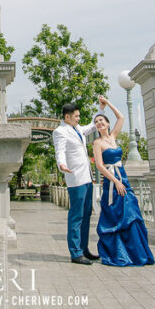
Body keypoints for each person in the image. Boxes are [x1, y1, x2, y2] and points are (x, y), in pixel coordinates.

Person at [92, 97, 155, 266]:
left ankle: (137, 254)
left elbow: (121, 117)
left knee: (131, 213)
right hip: (112, 182)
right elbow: (99, 165)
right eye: (96, 122)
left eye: (101, 121)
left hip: (123, 178)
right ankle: (118, 253)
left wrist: (106, 104)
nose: (99, 123)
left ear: (107, 123)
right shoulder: (97, 143)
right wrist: (115, 181)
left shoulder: (113, 136)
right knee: (115, 215)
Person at [52, 102, 99, 265]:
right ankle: (75, 253)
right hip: (76, 179)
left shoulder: (77, 128)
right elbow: (60, 151)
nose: (79, 119)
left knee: (86, 214)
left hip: (87, 177)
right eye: (76, 116)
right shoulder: (60, 132)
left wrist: (101, 109)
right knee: (76, 216)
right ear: (67, 117)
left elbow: (92, 126)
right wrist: (61, 165)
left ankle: (84, 249)